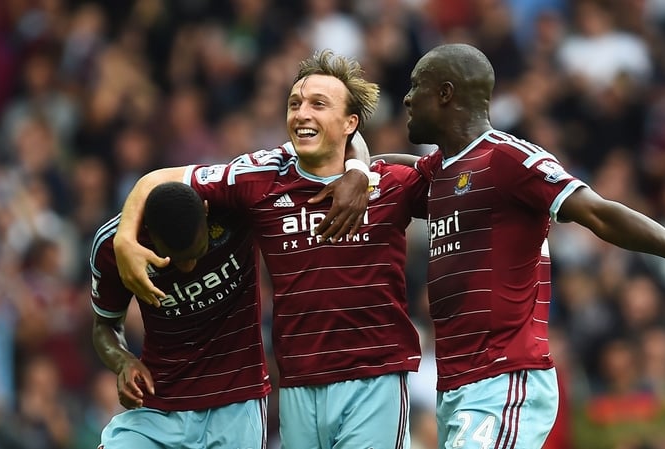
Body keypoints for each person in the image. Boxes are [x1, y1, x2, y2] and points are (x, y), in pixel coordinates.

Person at [399, 43, 665, 449]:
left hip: (504, 377)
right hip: (456, 385)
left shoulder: (509, 160)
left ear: (445, 93)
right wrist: (351, 166)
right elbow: (385, 172)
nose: (407, 98)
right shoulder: (439, 172)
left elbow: (598, 212)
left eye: (416, 86)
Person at [114, 50, 429, 449]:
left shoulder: (387, 185)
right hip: (297, 384)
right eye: (295, 104)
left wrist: (360, 170)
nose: (301, 114)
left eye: (318, 104)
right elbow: (159, 181)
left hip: (375, 378)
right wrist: (125, 238)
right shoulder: (261, 176)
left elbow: (453, 178)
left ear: (350, 123)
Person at [91, 181, 270, 449]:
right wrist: (123, 362)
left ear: (206, 211)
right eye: (173, 257)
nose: (188, 266)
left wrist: (345, 175)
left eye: (197, 252)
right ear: (149, 233)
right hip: (159, 405)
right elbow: (104, 326)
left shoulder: (234, 204)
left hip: (236, 400)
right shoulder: (114, 247)